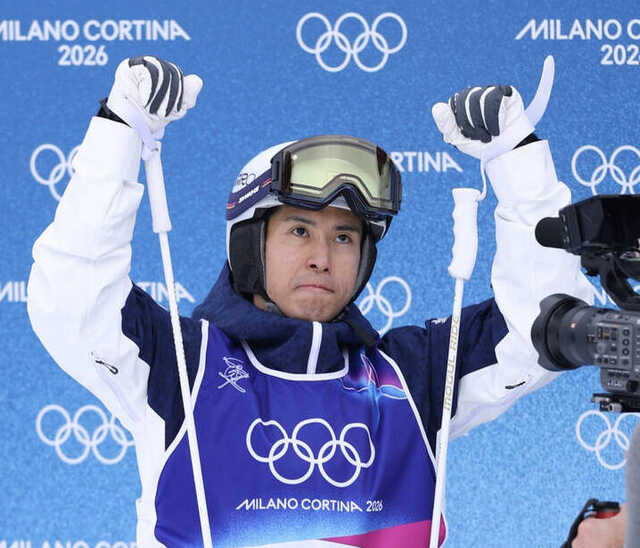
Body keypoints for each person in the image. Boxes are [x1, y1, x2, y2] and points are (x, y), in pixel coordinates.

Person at [27, 56, 593, 547]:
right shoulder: (184, 364)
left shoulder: (412, 374)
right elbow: (74, 299)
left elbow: (547, 325)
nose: (323, 256)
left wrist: (518, 164)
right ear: (249, 246)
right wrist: (119, 134)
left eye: (344, 237)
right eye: (299, 230)